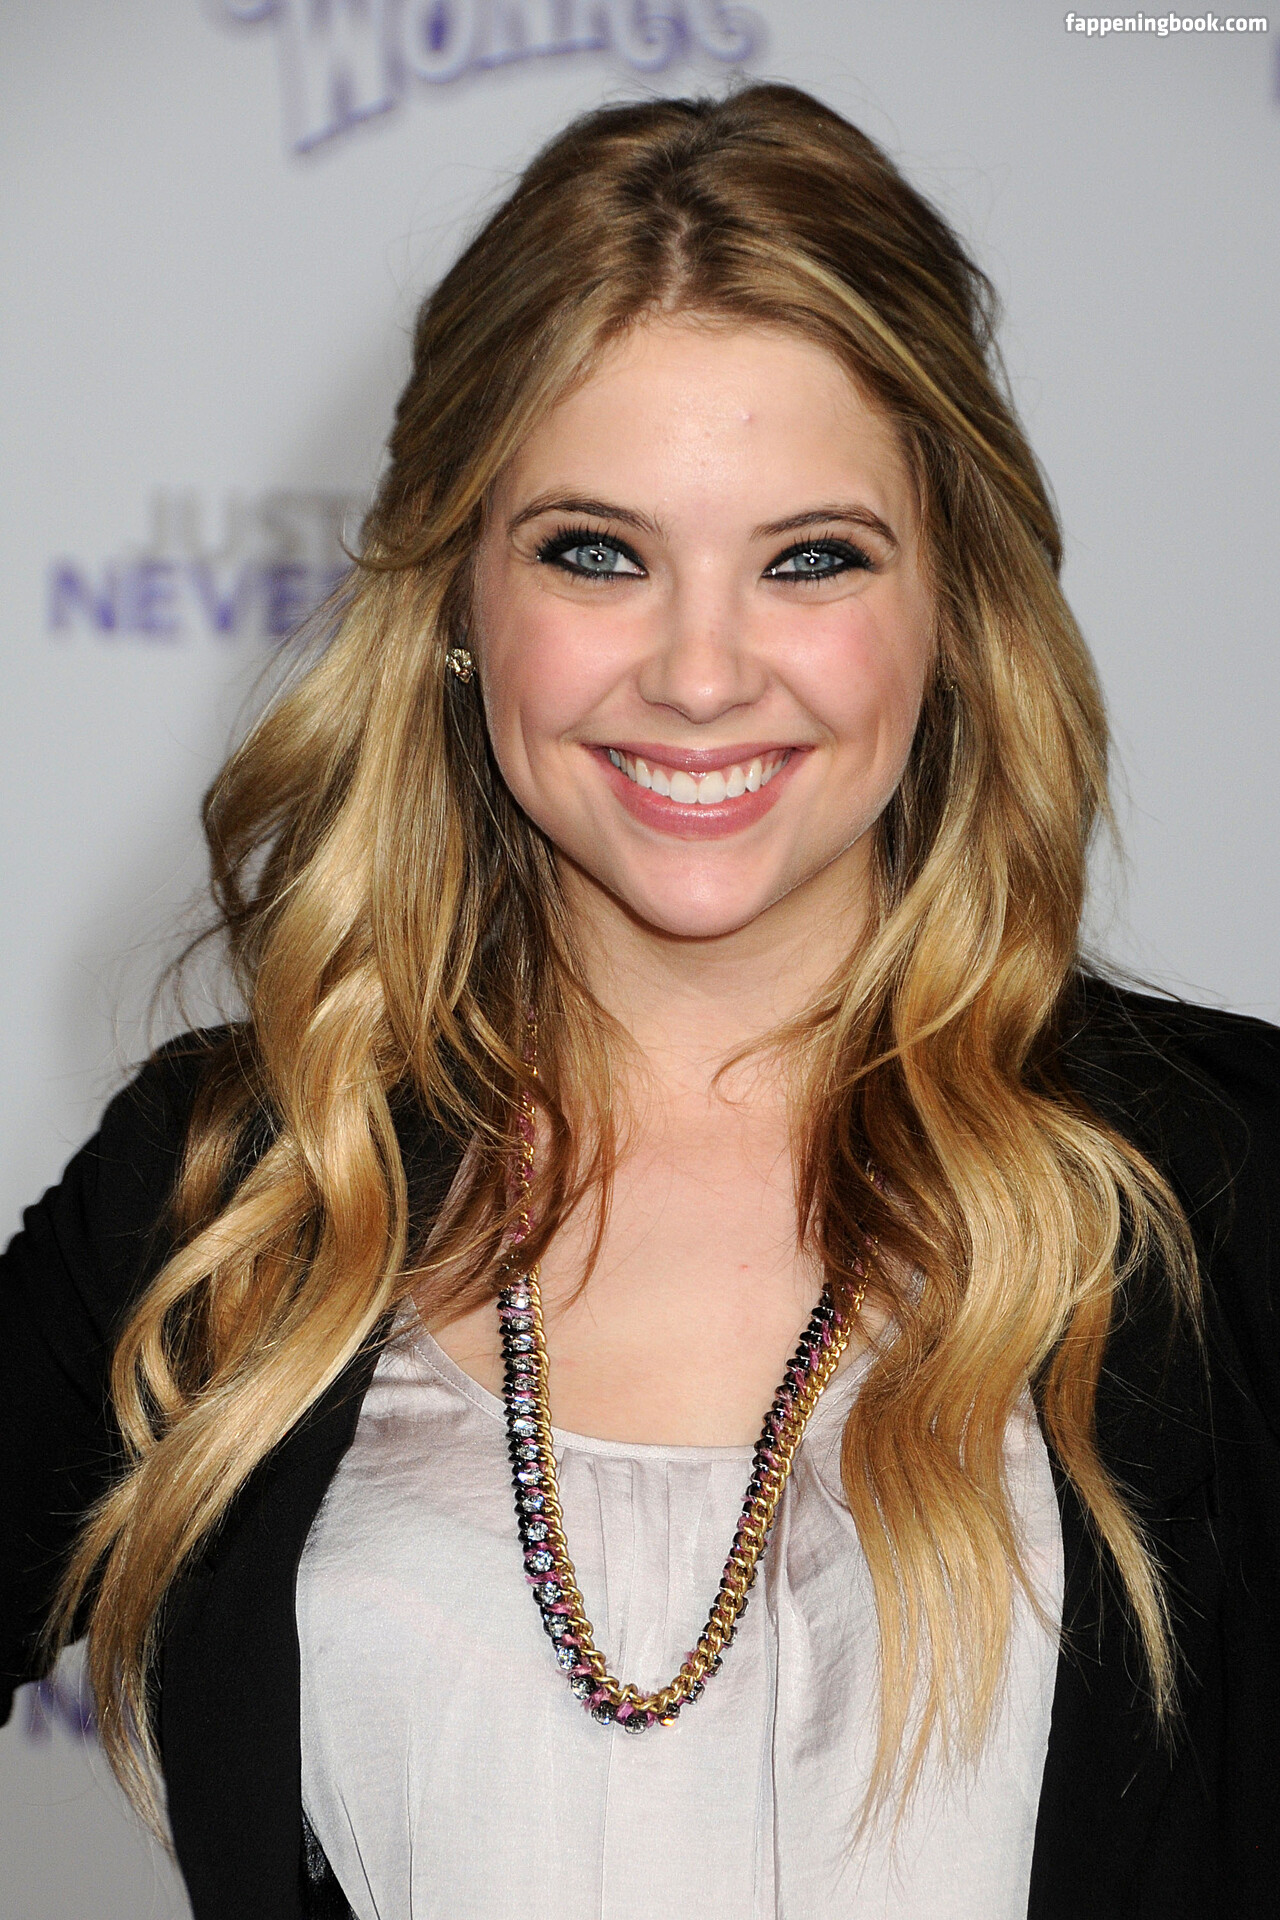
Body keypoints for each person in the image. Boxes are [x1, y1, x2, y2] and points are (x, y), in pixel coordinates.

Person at [1, 83, 1276, 1920]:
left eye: (810, 558)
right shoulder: (233, 1187)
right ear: (458, 596)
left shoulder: (1232, 1182)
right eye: (595, 551)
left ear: (951, 605)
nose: (698, 673)